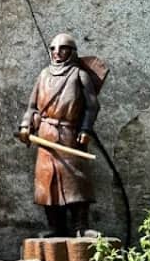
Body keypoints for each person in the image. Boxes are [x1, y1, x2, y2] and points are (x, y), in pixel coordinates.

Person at [18, 32, 100, 237]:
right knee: (47, 182)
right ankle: (55, 227)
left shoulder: (79, 75)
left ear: (72, 52)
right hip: (45, 135)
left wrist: (85, 129)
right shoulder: (43, 75)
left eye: (62, 48)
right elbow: (32, 107)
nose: (57, 52)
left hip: (69, 134)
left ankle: (80, 226)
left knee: (76, 180)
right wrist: (26, 126)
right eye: (53, 48)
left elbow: (92, 106)